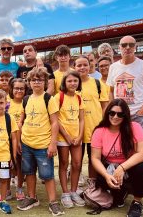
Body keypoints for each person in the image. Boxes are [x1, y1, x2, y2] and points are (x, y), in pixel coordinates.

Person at [16, 67, 64, 216]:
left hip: (43, 145)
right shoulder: (26, 99)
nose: (36, 82)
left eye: (40, 79)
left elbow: (55, 122)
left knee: (47, 175)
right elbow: (21, 121)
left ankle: (53, 202)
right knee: (29, 172)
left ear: (45, 82)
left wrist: (53, 143)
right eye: (33, 80)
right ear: (29, 82)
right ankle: (32, 197)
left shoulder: (48, 99)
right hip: (26, 143)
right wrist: (18, 141)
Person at [91, 99, 143, 217]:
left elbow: (142, 153)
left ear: (126, 115)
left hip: (131, 165)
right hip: (110, 167)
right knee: (102, 180)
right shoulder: (99, 131)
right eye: (112, 113)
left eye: (120, 114)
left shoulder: (135, 127)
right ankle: (119, 193)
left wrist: (122, 168)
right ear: (107, 113)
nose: (115, 117)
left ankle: (137, 203)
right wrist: (106, 175)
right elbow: (95, 158)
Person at [106, 35, 143, 168]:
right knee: (124, 150)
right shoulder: (113, 67)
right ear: (119, 48)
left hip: (139, 115)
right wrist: (112, 112)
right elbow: (111, 91)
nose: (127, 47)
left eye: (131, 45)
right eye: (124, 45)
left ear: (136, 47)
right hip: (120, 116)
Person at [74, 55, 109, 183]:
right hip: (76, 130)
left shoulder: (98, 83)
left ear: (90, 66)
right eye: (79, 65)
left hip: (95, 129)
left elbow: (105, 106)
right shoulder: (71, 84)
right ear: (74, 67)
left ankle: (92, 184)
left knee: (94, 159)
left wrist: (102, 125)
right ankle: (75, 185)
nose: (82, 67)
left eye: (85, 65)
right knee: (76, 162)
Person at [54, 71, 85, 208]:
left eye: (75, 81)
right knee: (64, 163)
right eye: (69, 81)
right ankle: (65, 193)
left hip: (76, 137)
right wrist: (66, 136)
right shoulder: (58, 97)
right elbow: (55, 120)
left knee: (77, 163)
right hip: (63, 137)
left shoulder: (79, 98)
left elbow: (82, 119)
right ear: (64, 83)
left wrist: (79, 136)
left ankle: (73, 191)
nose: (73, 83)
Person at [7, 78, 27, 200]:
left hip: (23, 139)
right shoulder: (6, 103)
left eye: (22, 88)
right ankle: (7, 190)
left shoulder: (27, 102)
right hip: (7, 139)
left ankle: (19, 188)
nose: (19, 90)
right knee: (7, 166)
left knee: (20, 166)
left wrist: (19, 141)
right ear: (12, 89)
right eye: (16, 88)